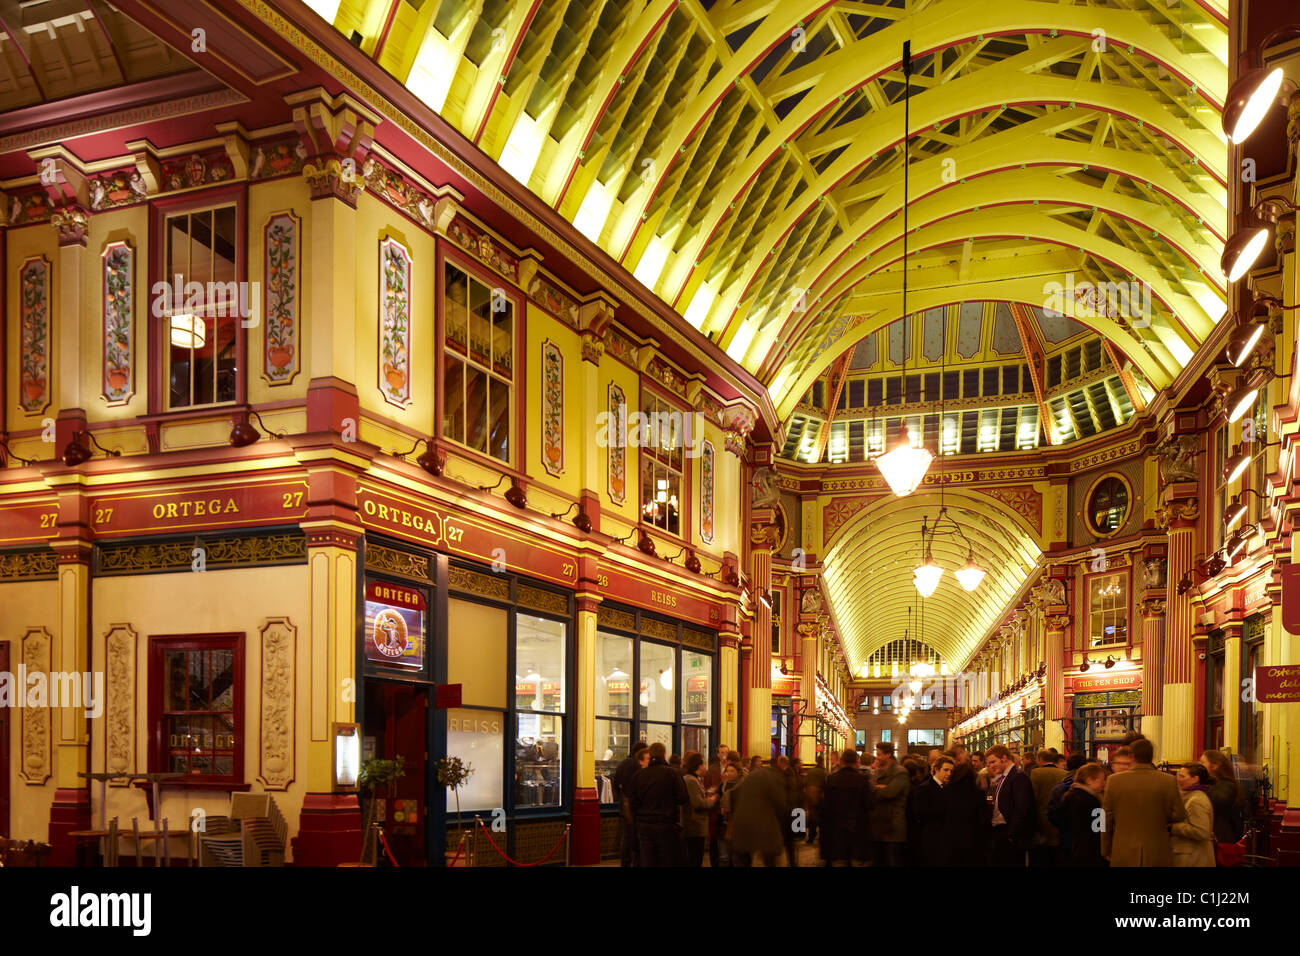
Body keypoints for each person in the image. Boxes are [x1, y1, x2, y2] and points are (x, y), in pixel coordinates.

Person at [1101, 737, 1186, 866]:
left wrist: (1105, 848)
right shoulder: (1168, 780)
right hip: (1157, 849)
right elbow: (1180, 814)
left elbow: (1105, 818)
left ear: (1132, 757)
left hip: (1123, 849)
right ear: (1151, 757)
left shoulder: (1114, 780)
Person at [627, 742, 688, 867]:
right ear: (664, 755)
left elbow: (632, 802)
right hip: (665, 825)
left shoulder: (639, 775)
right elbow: (683, 798)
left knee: (647, 860)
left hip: (644, 826)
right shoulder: (672, 773)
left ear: (650, 755)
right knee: (667, 860)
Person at [730, 756, 787, 867]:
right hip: (764, 829)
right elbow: (780, 805)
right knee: (769, 858)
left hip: (741, 828)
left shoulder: (750, 777)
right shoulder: (775, 778)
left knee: (743, 859)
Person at [820, 749, 874, 866]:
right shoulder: (863, 780)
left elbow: (825, 806)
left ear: (841, 761)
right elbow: (869, 804)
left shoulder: (831, 779)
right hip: (858, 828)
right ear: (856, 762)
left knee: (840, 861)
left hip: (837, 828)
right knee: (856, 861)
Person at [985, 744, 1035, 866]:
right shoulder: (1004, 777)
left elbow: (1022, 809)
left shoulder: (1018, 777)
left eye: (993, 762)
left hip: (1010, 835)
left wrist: (1011, 834)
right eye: (988, 764)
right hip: (1002, 832)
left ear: (1004, 758)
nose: (991, 766)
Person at [943, 752, 990, 866]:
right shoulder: (978, 794)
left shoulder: (946, 792)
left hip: (951, 841)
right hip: (973, 841)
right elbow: (984, 819)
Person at [1059, 763, 1107, 867]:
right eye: (1101, 780)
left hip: (1072, 848)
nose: (1104, 783)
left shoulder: (1069, 795)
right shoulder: (1093, 800)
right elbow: (1098, 829)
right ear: (1089, 780)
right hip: (1090, 851)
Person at [869, 742, 909, 866]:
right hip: (878, 826)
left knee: (893, 861)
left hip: (893, 826)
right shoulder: (877, 771)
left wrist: (875, 787)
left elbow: (889, 792)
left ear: (888, 754)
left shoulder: (900, 772)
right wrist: (878, 787)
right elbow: (869, 792)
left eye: (879, 754)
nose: (877, 757)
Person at [1171, 763, 1216, 867]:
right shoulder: (1190, 796)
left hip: (1194, 858)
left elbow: (1201, 831)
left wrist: (1172, 827)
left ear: (1195, 779)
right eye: (1178, 775)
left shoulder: (1196, 800)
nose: (1178, 779)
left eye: (1182, 776)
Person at [911, 754, 953, 866]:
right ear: (936, 769)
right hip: (931, 836)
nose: (949, 773)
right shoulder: (924, 788)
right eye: (946, 770)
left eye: (951, 771)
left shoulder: (950, 788)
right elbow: (919, 813)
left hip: (946, 837)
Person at [612, 741, 648, 867]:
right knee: (635, 838)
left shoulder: (622, 764)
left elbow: (615, 784)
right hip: (635, 808)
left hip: (623, 806)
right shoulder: (637, 766)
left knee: (626, 837)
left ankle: (625, 862)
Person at [1201, 750, 1247, 847]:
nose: (1200, 766)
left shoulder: (1227, 785)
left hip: (1222, 839)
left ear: (1214, 766)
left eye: (1203, 762)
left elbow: (1217, 802)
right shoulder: (1215, 784)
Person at [1029, 748, 1067, 867]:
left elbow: (1032, 798)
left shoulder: (1035, 773)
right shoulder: (1064, 774)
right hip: (1059, 822)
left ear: (1040, 759)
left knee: (1041, 857)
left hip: (1040, 822)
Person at [681, 752, 716, 866]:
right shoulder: (691, 780)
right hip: (695, 827)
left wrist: (707, 793)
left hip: (695, 827)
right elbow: (698, 803)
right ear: (699, 766)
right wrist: (712, 800)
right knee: (695, 858)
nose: (705, 766)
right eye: (704, 764)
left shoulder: (695, 779)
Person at [1046, 752, 1088, 838]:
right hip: (1087, 837)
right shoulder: (1091, 787)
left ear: (1067, 766)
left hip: (1066, 835)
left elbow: (1052, 813)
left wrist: (1064, 827)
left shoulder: (1059, 788)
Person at [717, 762, 743, 866]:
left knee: (737, 856)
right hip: (723, 823)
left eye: (732, 771)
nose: (729, 773)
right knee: (724, 857)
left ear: (738, 772)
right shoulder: (723, 786)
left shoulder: (743, 785)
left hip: (738, 824)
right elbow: (718, 801)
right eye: (727, 771)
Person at [803, 755, 828, 845]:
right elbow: (826, 784)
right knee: (821, 818)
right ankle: (822, 838)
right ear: (822, 762)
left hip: (810, 797)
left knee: (812, 818)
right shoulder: (823, 772)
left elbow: (805, 783)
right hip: (820, 797)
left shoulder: (810, 771)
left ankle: (811, 837)